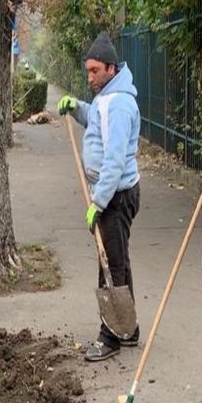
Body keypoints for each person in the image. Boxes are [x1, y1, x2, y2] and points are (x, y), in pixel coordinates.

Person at [57, 31, 141, 362]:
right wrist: (76, 107)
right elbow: (95, 116)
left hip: (116, 197)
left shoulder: (119, 103)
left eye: (94, 71)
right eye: (87, 70)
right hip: (113, 195)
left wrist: (98, 202)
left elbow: (115, 159)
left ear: (109, 68)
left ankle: (111, 337)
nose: (89, 76)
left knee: (109, 266)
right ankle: (128, 328)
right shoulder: (108, 97)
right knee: (119, 262)